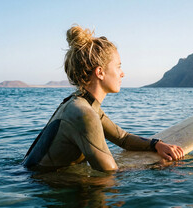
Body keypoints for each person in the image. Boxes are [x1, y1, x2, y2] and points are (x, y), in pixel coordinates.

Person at [23, 25, 184, 172]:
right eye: (118, 66)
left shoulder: (82, 104)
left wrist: (156, 145)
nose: (123, 73)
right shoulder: (83, 113)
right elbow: (109, 172)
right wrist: (159, 167)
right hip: (41, 184)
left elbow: (123, 138)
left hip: (37, 180)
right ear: (100, 72)